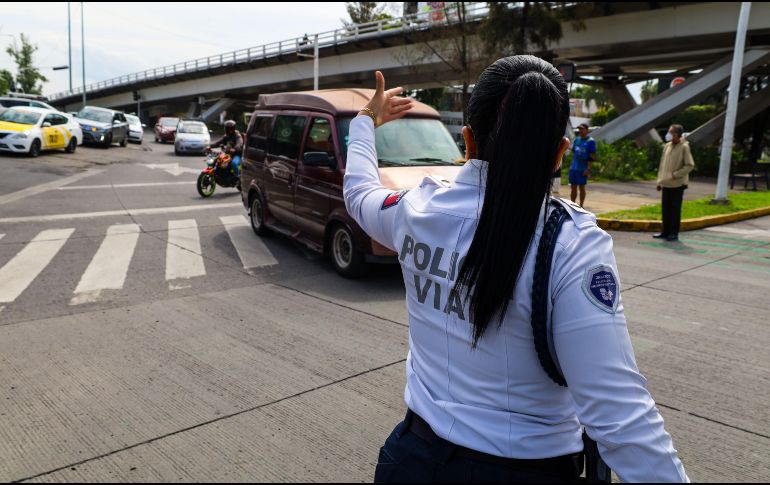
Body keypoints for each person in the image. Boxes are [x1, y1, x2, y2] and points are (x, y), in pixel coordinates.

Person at [344, 58, 688, 483]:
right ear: (560, 153)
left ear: (467, 140)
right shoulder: (570, 243)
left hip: (410, 461)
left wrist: (365, 121)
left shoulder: (415, 210)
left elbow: (359, 191)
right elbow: (621, 418)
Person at [654, 124, 695, 241]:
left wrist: (675, 174)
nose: (668, 134)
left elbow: (690, 165)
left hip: (677, 184)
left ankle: (673, 233)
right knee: (665, 209)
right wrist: (659, 181)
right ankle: (665, 232)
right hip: (666, 183)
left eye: (670, 132)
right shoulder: (667, 146)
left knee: (674, 210)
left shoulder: (684, 147)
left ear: (676, 134)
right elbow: (662, 164)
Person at [569, 123, 596, 207]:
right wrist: (571, 165)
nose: (580, 131)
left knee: (581, 187)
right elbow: (574, 153)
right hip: (574, 168)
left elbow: (591, 156)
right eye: (579, 129)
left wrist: (588, 168)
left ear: (587, 130)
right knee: (573, 187)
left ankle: (581, 206)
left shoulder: (590, 141)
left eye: (582, 129)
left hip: (582, 168)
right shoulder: (577, 140)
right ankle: (572, 205)